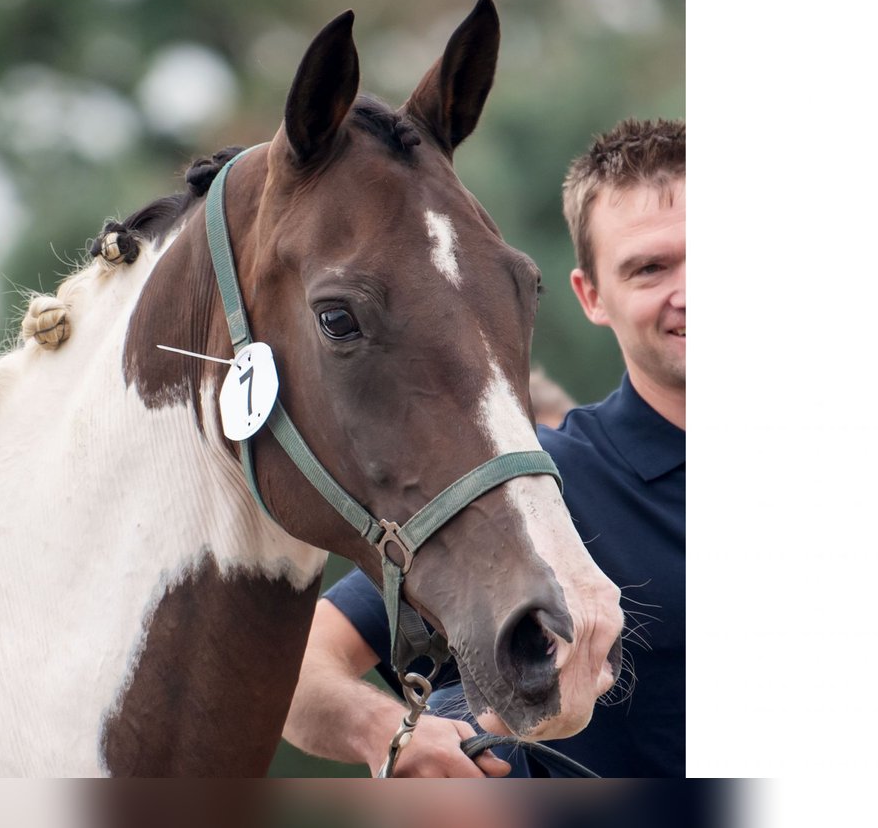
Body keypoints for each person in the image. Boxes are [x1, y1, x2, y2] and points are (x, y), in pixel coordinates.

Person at [282, 118, 685, 777]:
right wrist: (394, 734)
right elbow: (301, 670)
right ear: (592, 297)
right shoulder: (551, 487)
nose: (689, 292)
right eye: (649, 268)